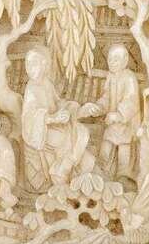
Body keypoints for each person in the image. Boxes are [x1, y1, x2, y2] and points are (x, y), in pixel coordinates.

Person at [21, 48, 95, 190]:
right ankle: (61, 170)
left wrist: (75, 109)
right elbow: (30, 115)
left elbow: (57, 103)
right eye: (27, 64)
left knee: (81, 130)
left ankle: (69, 165)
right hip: (38, 131)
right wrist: (52, 118)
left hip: (52, 125)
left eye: (33, 63)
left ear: (44, 65)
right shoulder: (31, 88)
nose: (29, 68)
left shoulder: (46, 83)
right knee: (63, 137)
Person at [80, 44, 140, 180]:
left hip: (126, 122)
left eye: (116, 59)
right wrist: (99, 107)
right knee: (106, 142)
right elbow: (106, 97)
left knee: (124, 145)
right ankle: (101, 169)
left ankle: (123, 174)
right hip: (112, 121)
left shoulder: (129, 78)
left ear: (125, 60)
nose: (112, 62)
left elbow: (131, 100)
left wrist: (119, 115)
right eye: (110, 59)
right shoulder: (111, 76)